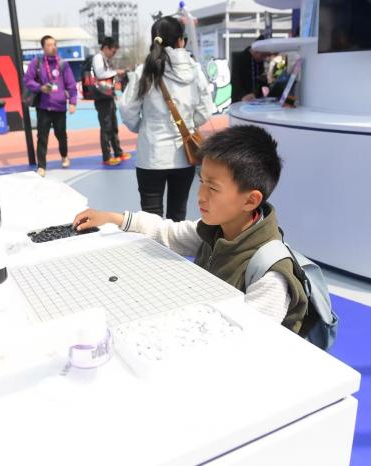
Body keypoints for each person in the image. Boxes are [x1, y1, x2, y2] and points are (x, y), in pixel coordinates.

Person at [72, 125, 308, 333]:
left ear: (250, 200)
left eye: (213, 188)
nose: (200, 196)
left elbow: (250, 337)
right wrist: (113, 218)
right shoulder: (216, 230)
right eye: (201, 181)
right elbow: (167, 232)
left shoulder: (271, 276)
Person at [120, 16, 213, 222]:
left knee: (150, 219)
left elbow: (127, 110)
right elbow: (206, 109)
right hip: (185, 155)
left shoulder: (144, 71)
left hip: (151, 155)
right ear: (181, 41)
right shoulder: (195, 71)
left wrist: (143, 127)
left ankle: (152, 245)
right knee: (177, 215)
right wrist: (189, 125)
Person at [24, 35, 78, 177]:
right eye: (49, 45)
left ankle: (64, 156)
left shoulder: (63, 64)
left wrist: (73, 102)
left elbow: (71, 84)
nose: (52, 47)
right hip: (44, 107)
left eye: (54, 44)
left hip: (60, 107)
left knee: (61, 135)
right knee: (42, 137)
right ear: (43, 48)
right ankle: (41, 166)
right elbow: (27, 80)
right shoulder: (37, 63)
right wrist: (40, 87)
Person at [92, 36, 131, 166]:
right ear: (106, 48)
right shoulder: (98, 58)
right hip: (101, 98)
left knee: (113, 126)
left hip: (107, 96)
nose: (114, 54)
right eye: (113, 51)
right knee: (106, 127)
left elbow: (108, 78)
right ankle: (107, 156)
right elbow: (100, 74)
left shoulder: (105, 59)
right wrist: (116, 72)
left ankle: (118, 152)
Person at [230, 35, 273, 103]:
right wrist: (242, 96)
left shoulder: (259, 61)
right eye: (263, 56)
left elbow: (260, 82)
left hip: (255, 100)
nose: (264, 59)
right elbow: (235, 82)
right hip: (241, 100)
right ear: (255, 51)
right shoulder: (239, 58)